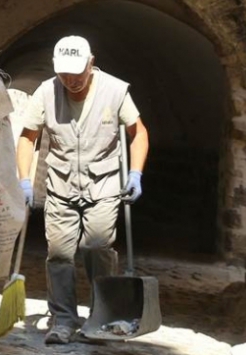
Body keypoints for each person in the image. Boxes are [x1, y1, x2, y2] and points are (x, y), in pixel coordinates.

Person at [16, 35, 149, 344]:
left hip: (102, 185)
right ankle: (63, 319)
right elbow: (27, 137)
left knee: (97, 248)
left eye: (77, 72)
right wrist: (24, 179)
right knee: (59, 254)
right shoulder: (46, 93)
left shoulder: (115, 91)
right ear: (55, 68)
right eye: (64, 74)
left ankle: (103, 314)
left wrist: (135, 174)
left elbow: (138, 132)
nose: (71, 80)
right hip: (61, 185)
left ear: (91, 63)